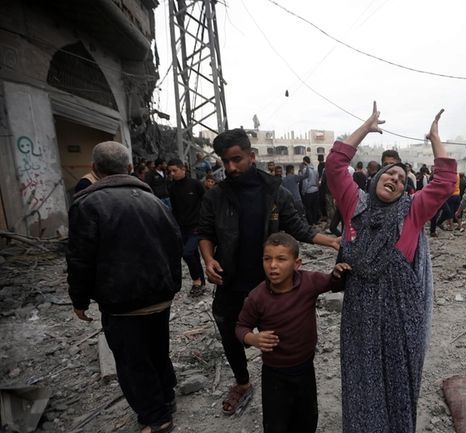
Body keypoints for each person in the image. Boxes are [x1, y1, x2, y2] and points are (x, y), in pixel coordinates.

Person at [326, 103, 456, 433]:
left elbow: (444, 181)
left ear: (404, 189)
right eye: (389, 174)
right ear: (375, 178)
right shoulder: (355, 204)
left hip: (402, 318)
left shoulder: (412, 212)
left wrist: (434, 139)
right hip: (361, 316)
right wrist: (365, 128)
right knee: (362, 376)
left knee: (399, 380)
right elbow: (336, 163)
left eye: (401, 178)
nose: (395, 179)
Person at [197, 129, 338, 416]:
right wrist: (209, 259)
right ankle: (242, 382)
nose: (230, 168)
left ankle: (286, 384)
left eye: (236, 159)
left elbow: (299, 228)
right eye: (225, 162)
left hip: (270, 285)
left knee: (279, 340)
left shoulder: (275, 192)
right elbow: (205, 232)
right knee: (232, 334)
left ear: (252, 156)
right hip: (230, 281)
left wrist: (333, 241)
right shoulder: (217, 196)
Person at [67, 141, 181, 433]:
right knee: (157, 350)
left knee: (133, 362)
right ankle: (166, 398)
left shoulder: (87, 204)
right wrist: (172, 287)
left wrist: (79, 299)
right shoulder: (154, 200)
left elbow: (80, 258)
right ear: (130, 168)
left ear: (94, 169)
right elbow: (174, 245)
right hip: (159, 296)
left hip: (122, 303)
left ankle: (156, 419)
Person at [236, 233, 349, 433]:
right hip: (274, 374)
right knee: (276, 424)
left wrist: (338, 272)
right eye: (267, 259)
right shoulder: (257, 297)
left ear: (297, 263)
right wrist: (253, 338)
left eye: (281, 259)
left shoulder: (309, 282)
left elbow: (333, 283)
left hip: (305, 369)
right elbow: (240, 327)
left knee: (307, 420)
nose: (273, 265)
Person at [167, 158, 207, 297]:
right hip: (181, 227)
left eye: (174, 170)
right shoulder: (171, 187)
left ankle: (197, 281)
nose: (172, 174)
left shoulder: (195, 184)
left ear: (183, 169)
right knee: (192, 255)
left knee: (188, 253)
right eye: (169, 171)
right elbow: (174, 208)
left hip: (196, 226)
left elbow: (206, 203)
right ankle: (201, 282)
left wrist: (204, 222)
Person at [300, 156, 321, 225]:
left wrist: (303, 192)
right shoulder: (315, 168)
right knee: (315, 207)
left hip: (308, 191)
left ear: (304, 161)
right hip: (316, 190)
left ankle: (311, 222)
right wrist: (317, 189)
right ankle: (316, 221)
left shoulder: (305, 170)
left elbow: (305, 182)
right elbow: (317, 180)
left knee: (308, 208)